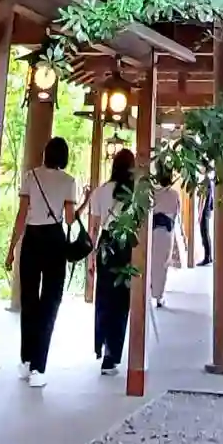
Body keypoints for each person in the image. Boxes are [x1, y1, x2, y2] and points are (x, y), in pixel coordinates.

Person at [5, 134, 77, 387]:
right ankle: (38, 367)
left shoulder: (31, 176)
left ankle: (26, 360)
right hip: (55, 239)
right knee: (50, 301)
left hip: (32, 239)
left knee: (29, 300)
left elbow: (21, 215)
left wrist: (12, 248)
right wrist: (85, 202)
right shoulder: (68, 181)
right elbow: (70, 219)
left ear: (45, 153)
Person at [87, 146, 136, 374]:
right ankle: (112, 354)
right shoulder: (134, 194)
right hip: (125, 244)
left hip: (105, 245)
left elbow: (94, 228)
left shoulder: (100, 192)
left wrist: (91, 258)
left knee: (104, 297)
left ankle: (103, 347)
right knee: (121, 300)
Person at [149, 163, 184, 308]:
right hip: (167, 231)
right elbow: (176, 213)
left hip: (153, 230)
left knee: (152, 261)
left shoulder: (153, 192)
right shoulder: (174, 194)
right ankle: (159, 296)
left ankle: (151, 291)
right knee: (162, 264)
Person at [199, 174, 214, 266]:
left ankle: (207, 257)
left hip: (205, 211)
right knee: (205, 233)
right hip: (207, 210)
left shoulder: (206, 181)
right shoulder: (208, 181)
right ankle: (208, 257)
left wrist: (200, 213)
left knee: (204, 233)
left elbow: (203, 199)